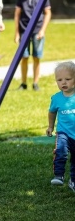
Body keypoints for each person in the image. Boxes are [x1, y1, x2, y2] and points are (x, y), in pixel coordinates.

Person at [14, 0, 52, 91]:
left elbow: (47, 13)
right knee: (24, 57)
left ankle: (35, 83)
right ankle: (23, 83)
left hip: (37, 31)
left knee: (36, 57)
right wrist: (16, 33)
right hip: (24, 31)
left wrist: (43, 30)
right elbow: (17, 14)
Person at [46, 61, 75, 192]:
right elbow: (52, 112)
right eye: (59, 80)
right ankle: (59, 175)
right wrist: (50, 127)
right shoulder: (56, 98)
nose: (63, 82)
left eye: (68, 79)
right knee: (61, 151)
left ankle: (73, 180)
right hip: (63, 132)